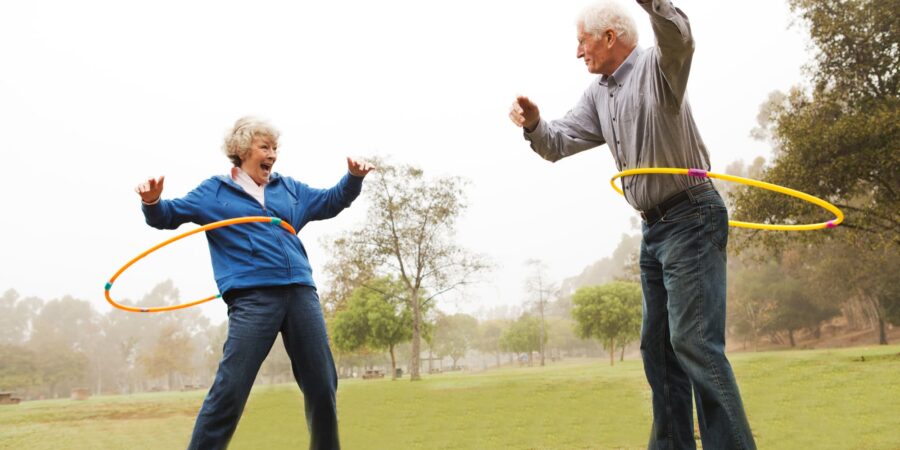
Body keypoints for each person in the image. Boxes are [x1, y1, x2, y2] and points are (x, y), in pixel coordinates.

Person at [508, 1, 755, 449]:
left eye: (582, 41)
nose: (577, 52)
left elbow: (680, 38)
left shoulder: (660, 67)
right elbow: (558, 141)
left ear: (608, 37)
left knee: (694, 343)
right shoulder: (600, 93)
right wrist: (535, 124)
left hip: (691, 215)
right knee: (658, 351)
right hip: (653, 229)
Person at [135, 116, 373, 450]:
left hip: (300, 293)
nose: (272, 154)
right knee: (231, 388)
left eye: (275, 148)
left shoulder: (289, 189)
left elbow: (330, 201)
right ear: (243, 149)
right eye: (265, 147)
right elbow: (168, 216)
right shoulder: (214, 192)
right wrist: (152, 202)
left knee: (322, 384)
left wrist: (353, 179)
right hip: (252, 297)